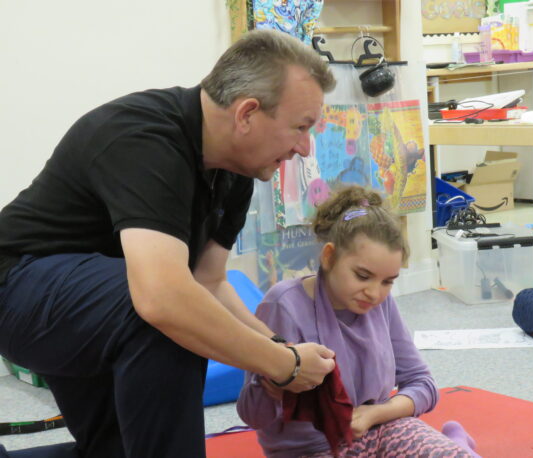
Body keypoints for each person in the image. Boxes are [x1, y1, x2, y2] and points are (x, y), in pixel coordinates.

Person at [0, 29, 338, 458]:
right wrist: (283, 366)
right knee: (168, 317)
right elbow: (163, 300)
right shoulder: (143, 138)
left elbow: (209, 283)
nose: (305, 148)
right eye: (300, 127)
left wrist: (278, 349)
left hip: (99, 306)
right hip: (17, 286)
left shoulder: (236, 171)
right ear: (247, 113)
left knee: (116, 450)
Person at [237, 186, 480, 457]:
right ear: (329, 257)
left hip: (380, 429)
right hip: (311, 451)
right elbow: (253, 416)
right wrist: (277, 380)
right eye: (362, 276)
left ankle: (457, 445)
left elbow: (423, 384)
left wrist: (373, 414)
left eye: (388, 281)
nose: (375, 293)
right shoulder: (283, 305)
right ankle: (454, 441)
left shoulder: (379, 302)